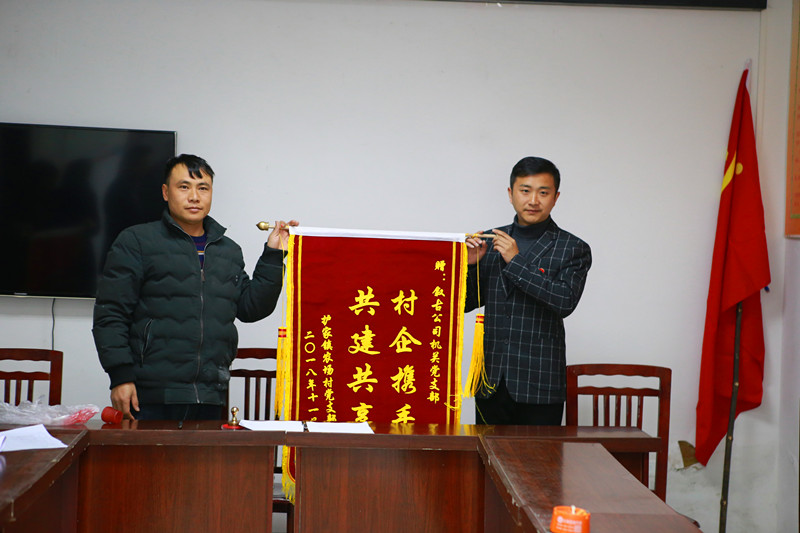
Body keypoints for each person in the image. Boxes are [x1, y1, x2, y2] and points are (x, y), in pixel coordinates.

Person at [93, 154, 297, 421]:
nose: (194, 197)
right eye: (184, 187)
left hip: (211, 394)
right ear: (166, 192)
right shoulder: (137, 242)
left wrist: (273, 255)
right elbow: (111, 314)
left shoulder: (228, 250)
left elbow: (251, 309)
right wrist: (120, 376)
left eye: (203, 188)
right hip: (149, 396)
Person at [465, 156, 591, 426]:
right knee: (486, 452)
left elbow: (564, 301)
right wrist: (471, 266)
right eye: (525, 190)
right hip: (491, 380)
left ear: (555, 198)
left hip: (540, 384)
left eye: (543, 192)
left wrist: (515, 260)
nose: (533, 200)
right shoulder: (490, 240)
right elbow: (465, 303)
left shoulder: (573, 248)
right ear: (510, 194)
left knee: (540, 455)